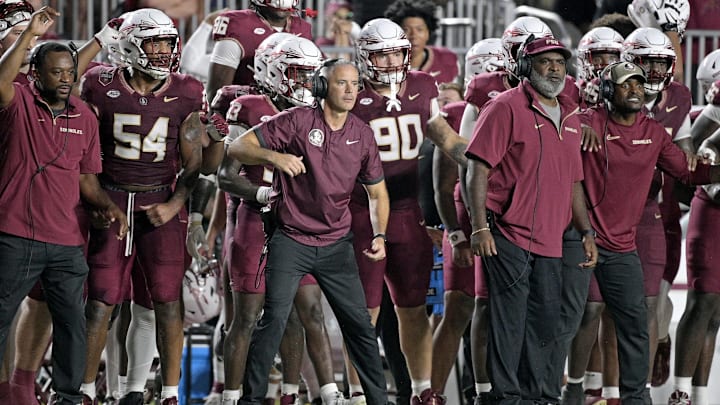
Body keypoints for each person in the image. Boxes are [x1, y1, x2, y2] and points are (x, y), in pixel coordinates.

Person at [227, 59, 391, 405]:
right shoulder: (298, 121)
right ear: (321, 87)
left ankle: (379, 400)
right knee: (272, 320)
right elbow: (238, 147)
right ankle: (251, 400)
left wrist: (379, 235)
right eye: (342, 83)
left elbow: (377, 192)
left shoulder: (362, 134)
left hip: (336, 244)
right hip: (292, 239)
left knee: (360, 325)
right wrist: (274, 158)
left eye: (355, 84)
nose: (350, 91)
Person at [0, 6, 128, 405]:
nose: (65, 80)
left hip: (67, 242)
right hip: (16, 233)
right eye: (56, 73)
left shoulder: (85, 117)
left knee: (72, 323)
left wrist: (109, 206)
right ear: (35, 74)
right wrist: (28, 35)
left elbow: (87, 178)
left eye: (70, 73)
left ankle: (69, 396)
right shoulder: (18, 100)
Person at [572, 61, 720, 404]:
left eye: (639, 85)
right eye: (626, 85)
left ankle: (636, 398)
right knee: (582, 316)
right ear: (608, 91)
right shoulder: (588, 121)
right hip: (586, 239)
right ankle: (571, 391)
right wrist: (574, 124)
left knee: (638, 323)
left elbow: (686, 171)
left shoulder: (652, 130)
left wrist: (715, 172)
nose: (636, 90)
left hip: (623, 245)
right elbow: (562, 116)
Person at [78, 8, 204, 405]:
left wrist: (176, 204)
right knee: (100, 299)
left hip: (159, 201)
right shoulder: (98, 83)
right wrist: (94, 197)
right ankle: (83, 389)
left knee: (167, 299)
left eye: (169, 42)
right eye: (155, 42)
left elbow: (194, 163)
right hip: (111, 196)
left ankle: (168, 393)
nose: (165, 51)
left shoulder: (187, 91)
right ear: (131, 44)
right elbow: (84, 146)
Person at [464, 36, 598, 404]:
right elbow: (477, 168)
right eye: (544, 62)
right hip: (508, 234)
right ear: (525, 67)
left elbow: (574, 181)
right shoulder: (505, 107)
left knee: (544, 324)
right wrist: (478, 227)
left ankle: (537, 397)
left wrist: (585, 231)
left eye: (559, 62)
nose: (554, 68)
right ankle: (506, 398)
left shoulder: (571, 114)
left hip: (552, 240)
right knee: (509, 323)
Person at [218, 36, 348, 405]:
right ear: (272, 71)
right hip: (256, 217)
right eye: (297, 73)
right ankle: (232, 395)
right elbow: (226, 176)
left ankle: (310, 393)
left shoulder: (320, 112)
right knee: (247, 315)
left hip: (300, 221)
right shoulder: (246, 106)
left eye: (311, 75)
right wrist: (262, 193)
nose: (306, 83)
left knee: (304, 309)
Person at [345, 18, 468, 404]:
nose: (389, 61)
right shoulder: (349, 92)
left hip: (408, 210)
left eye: (396, 52)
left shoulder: (422, 85)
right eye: (380, 54)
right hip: (362, 212)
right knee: (363, 314)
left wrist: (485, 159)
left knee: (413, 307)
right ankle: (357, 393)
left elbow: (442, 136)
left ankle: (420, 390)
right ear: (364, 56)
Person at [667, 74, 720, 405]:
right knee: (703, 302)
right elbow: (703, 143)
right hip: (714, 205)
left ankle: (700, 397)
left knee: (716, 313)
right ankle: (681, 395)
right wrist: (709, 155)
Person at [206, 0, 312, 107]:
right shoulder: (239, 25)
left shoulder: (302, 28)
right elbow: (216, 94)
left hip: (289, 115)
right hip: (246, 112)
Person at [384, 0, 458, 84]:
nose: (413, 36)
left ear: (428, 33)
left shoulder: (446, 59)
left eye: (419, 30)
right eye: (406, 30)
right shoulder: (381, 64)